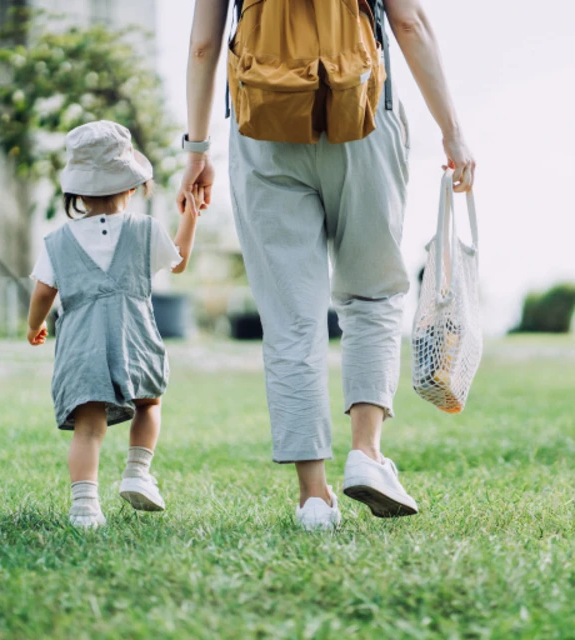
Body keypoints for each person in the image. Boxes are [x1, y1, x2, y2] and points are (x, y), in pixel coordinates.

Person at [177, 0, 476, 530]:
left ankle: (313, 498)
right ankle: (366, 453)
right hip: (362, 115)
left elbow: (203, 45)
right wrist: (452, 131)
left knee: (292, 318)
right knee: (372, 293)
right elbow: (409, 23)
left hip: (263, 129)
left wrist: (197, 151)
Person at [28, 120, 200, 528]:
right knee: (149, 402)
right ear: (131, 186)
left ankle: (85, 506)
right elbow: (179, 260)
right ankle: (137, 472)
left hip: (82, 346)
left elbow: (42, 293)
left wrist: (34, 325)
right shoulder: (145, 230)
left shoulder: (58, 240)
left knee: (88, 428)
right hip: (135, 337)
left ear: (77, 191)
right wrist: (189, 218)